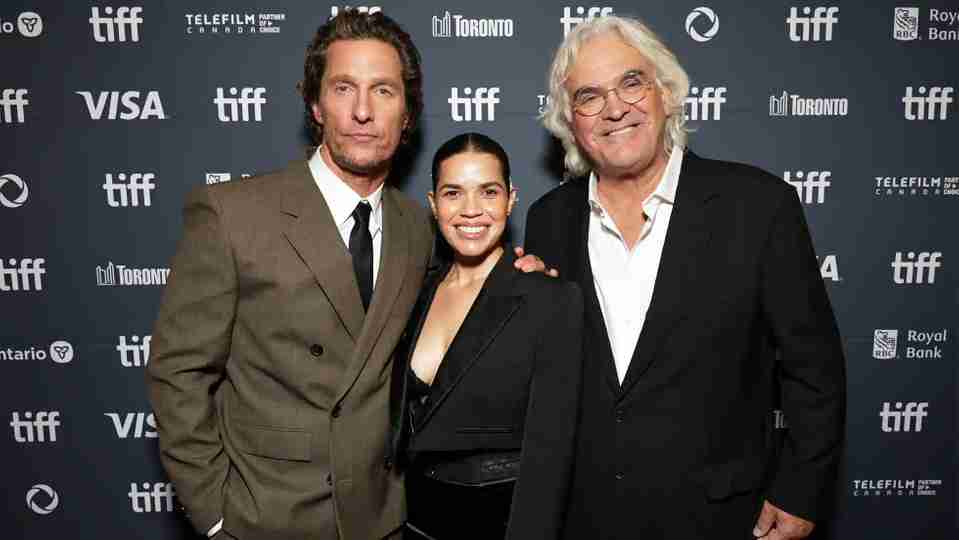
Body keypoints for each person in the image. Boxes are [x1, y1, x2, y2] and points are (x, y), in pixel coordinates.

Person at [147, 10, 544, 540]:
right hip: (264, 519)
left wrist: (517, 273)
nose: (362, 111)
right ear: (315, 105)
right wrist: (216, 515)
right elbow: (180, 374)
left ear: (407, 114)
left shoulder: (417, 226)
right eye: (343, 88)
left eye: (383, 91)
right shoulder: (232, 214)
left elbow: (463, 300)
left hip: (383, 520)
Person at [525, 15, 846, 540]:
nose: (614, 109)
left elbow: (816, 368)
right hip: (583, 515)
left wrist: (801, 489)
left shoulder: (758, 206)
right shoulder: (548, 220)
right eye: (588, 96)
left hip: (721, 515)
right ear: (570, 122)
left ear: (667, 93)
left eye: (631, 82)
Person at [389, 133, 583, 540]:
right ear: (433, 203)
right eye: (453, 193)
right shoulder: (415, 292)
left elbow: (551, 453)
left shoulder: (549, 297)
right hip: (416, 522)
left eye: (488, 192)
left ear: (511, 200)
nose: (471, 210)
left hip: (501, 524)